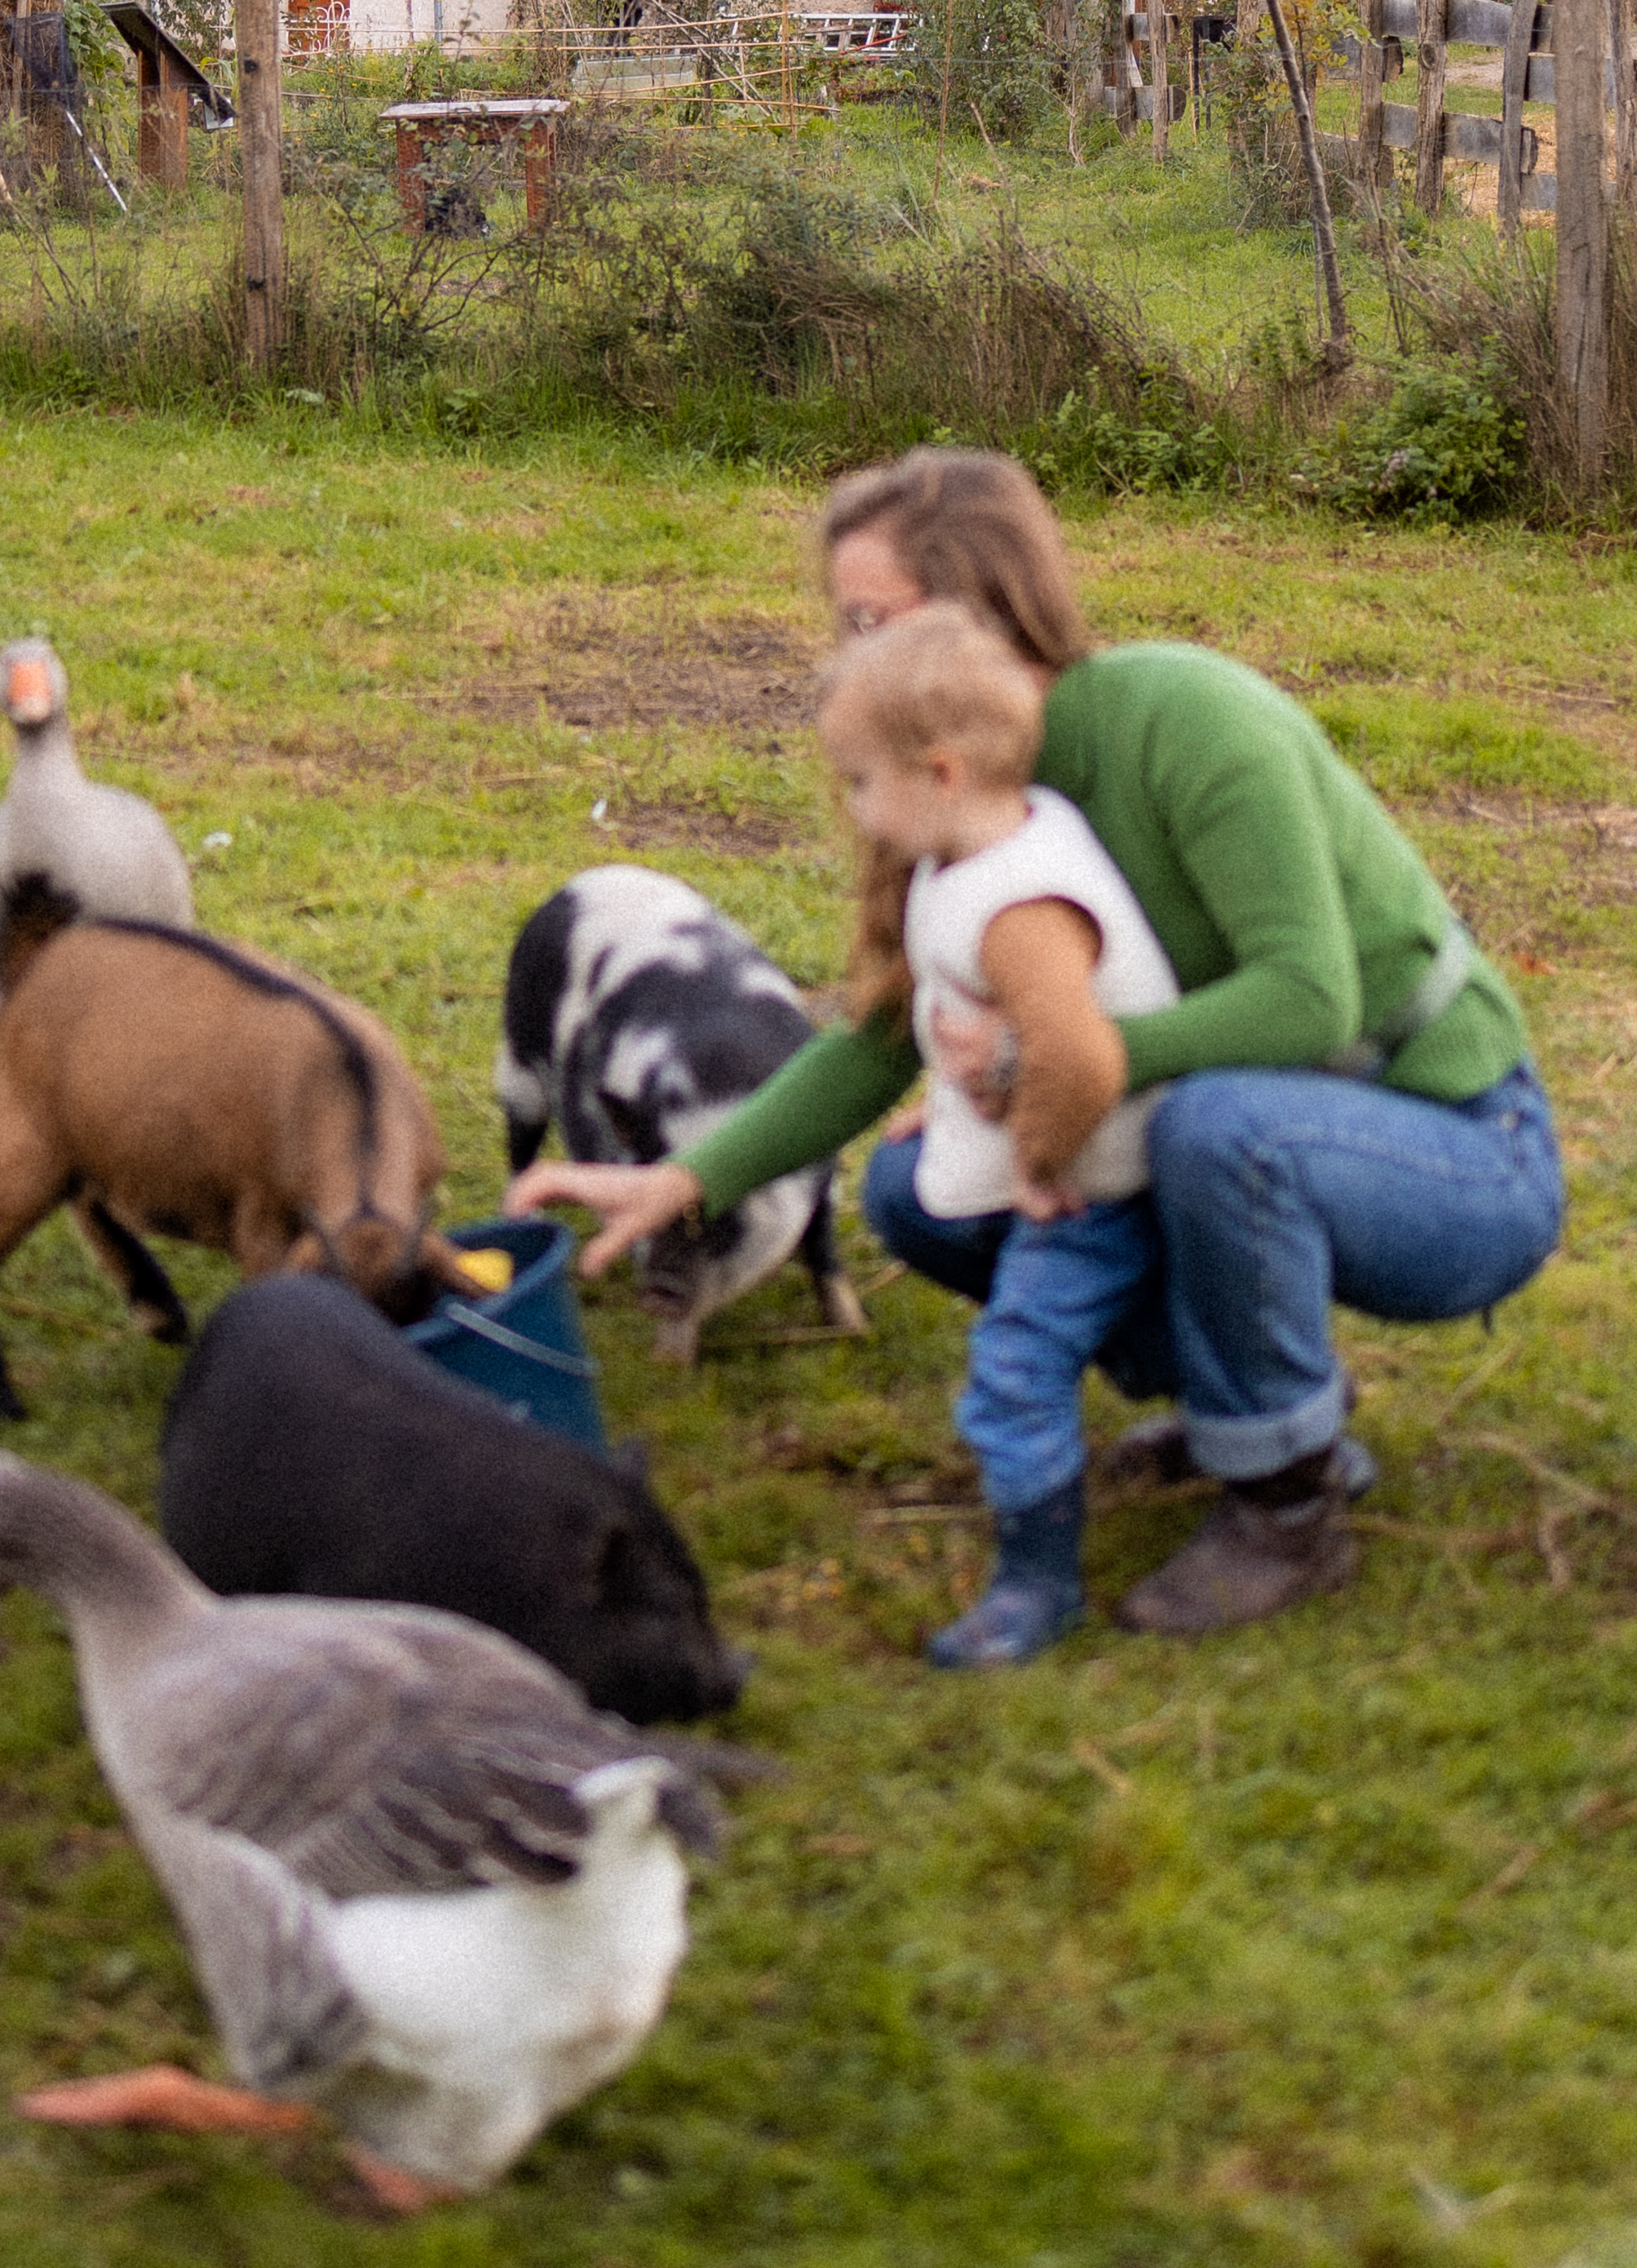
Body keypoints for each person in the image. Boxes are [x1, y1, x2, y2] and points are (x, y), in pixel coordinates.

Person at [510, 447, 1562, 1637]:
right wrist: (687, 1180)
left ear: (983, 605)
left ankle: (1286, 1501)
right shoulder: (965, 792)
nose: (846, 655)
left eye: (870, 620)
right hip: (1239, 1138)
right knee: (919, 1192)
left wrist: (1042, 1066)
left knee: (1222, 1127)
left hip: (1461, 1153)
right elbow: (876, 1044)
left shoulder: (1187, 719)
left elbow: (1306, 1004)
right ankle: (1243, 1405)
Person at [818, 603, 1180, 1667]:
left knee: (1015, 1365)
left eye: (857, 782)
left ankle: (1036, 1582)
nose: (851, 807)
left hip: (1088, 1189)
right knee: (1117, 1330)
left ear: (937, 773)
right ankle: (1266, 1423)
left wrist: (1035, 1163)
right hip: (1073, 1174)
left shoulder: (1018, 900)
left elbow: (1075, 1057)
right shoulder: (978, 848)